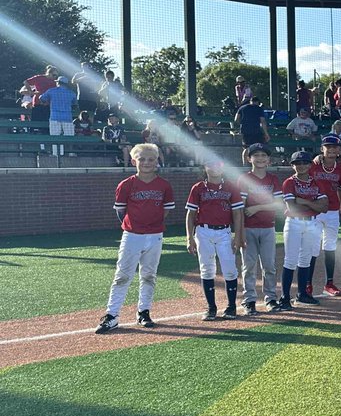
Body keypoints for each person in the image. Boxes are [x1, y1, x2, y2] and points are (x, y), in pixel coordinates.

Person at [94, 143, 175, 334]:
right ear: (133, 161)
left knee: (149, 275)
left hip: (155, 235)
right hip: (132, 235)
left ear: (157, 161)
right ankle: (112, 315)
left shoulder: (164, 185)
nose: (147, 162)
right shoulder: (126, 184)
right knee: (122, 275)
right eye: (142, 159)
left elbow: (165, 210)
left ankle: (143, 311)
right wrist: (134, 226)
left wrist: (151, 225)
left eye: (151, 159)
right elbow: (121, 211)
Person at [186, 157, 245, 321]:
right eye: (210, 164)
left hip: (224, 231)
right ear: (205, 167)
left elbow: (237, 213)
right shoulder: (198, 188)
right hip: (203, 231)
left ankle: (231, 306)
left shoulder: (231, 187)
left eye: (218, 164)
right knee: (206, 269)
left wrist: (238, 236)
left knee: (230, 269)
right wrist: (189, 237)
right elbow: (190, 214)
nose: (214, 167)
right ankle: (211, 307)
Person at [279, 150, 327, 309]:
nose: (301, 166)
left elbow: (324, 207)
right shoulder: (289, 183)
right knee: (290, 260)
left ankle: (302, 295)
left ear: (310, 164)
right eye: (297, 163)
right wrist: (313, 204)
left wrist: (304, 201)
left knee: (305, 260)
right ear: (292, 165)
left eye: (305, 163)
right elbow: (292, 208)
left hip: (312, 223)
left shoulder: (316, 182)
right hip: (294, 223)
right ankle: (285, 298)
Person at [239, 142, 283, 314]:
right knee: (249, 266)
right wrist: (240, 231)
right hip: (249, 228)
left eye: (263, 155)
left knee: (269, 266)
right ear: (249, 159)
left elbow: (278, 204)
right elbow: (240, 207)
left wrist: (257, 208)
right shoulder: (244, 179)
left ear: (268, 160)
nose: (260, 158)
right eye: (256, 155)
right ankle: (249, 300)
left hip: (267, 227)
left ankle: (270, 298)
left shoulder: (273, 179)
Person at [310, 135, 341, 296]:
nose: (331, 149)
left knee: (330, 246)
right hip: (315, 211)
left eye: (334, 147)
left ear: (339, 150)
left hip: (332, 211)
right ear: (322, 149)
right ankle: (307, 284)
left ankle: (329, 283)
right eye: (328, 146)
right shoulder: (313, 165)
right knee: (312, 247)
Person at [42, 76, 77, 154]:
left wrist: (46, 102)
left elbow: (42, 98)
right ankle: (69, 153)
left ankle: (56, 154)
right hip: (67, 117)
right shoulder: (71, 93)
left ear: (58, 83)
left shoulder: (51, 91)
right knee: (69, 137)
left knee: (55, 137)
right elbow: (75, 104)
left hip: (55, 117)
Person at [234, 95, 270, 161]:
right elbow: (263, 121)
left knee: (246, 148)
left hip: (245, 130)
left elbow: (236, 119)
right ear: (258, 102)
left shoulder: (242, 108)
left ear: (250, 101)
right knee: (260, 147)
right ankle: (259, 162)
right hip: (256, 131)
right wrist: (266, 133)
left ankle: (244, 164)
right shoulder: (259, 109)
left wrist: (242, 123)